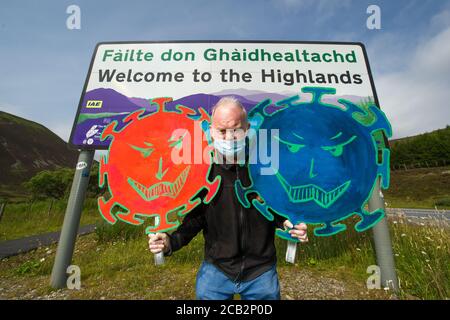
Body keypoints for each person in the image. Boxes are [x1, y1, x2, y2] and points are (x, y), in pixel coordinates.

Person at [148, 96, 308, 300]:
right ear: (211, 130)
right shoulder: (204, 175)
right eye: (222, 131)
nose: (229, 137)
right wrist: (171, 241)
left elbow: (275, 209)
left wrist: (292, 224)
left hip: (261, 273)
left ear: (248, 128)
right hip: (216, 273)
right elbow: (196, 218)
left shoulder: (266, 170)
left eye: (236, 129)